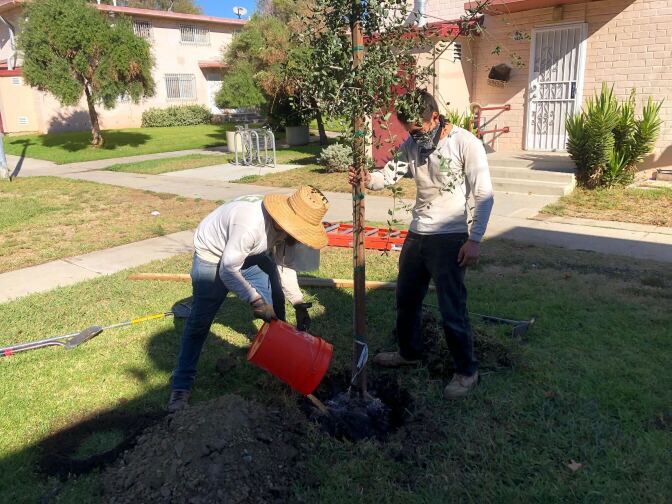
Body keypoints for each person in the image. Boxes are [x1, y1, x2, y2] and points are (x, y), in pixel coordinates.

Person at [349, 90, 494, 399]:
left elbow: (484, 194)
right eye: (410, 131)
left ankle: (467, 372)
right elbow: (388, 175)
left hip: (451, 235)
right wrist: (365, 178)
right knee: (406, 299)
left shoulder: (465, 143)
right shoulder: (411, 146)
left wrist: (475, 239)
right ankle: (409, 352)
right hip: (418, 234)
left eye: (419, 129)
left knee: (451, 308)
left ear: (434, 117)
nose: (416, 137)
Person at [168, 186, 329, 412]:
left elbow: (284, 266)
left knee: (275, 303)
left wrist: (299, 302)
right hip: (213, 256)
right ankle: (181, 386)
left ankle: (283, 362)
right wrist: (255, 300)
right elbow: (227, 269)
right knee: (199, 324)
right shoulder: (250, 225)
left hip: (248, 254)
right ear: (286, 221)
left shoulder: (284, 230)